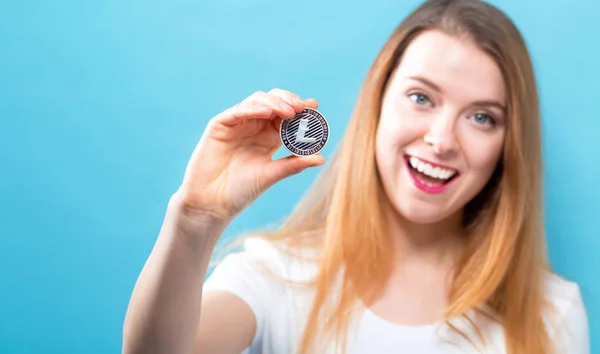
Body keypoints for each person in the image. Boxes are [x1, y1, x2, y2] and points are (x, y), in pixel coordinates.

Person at [122, 0, 590, 353]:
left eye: (483, 118)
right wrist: (195, 219)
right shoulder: (274, 276)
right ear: (377, 101)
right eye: (422, 98)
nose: (442, 140)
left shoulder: (553, 313)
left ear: (509, 145)